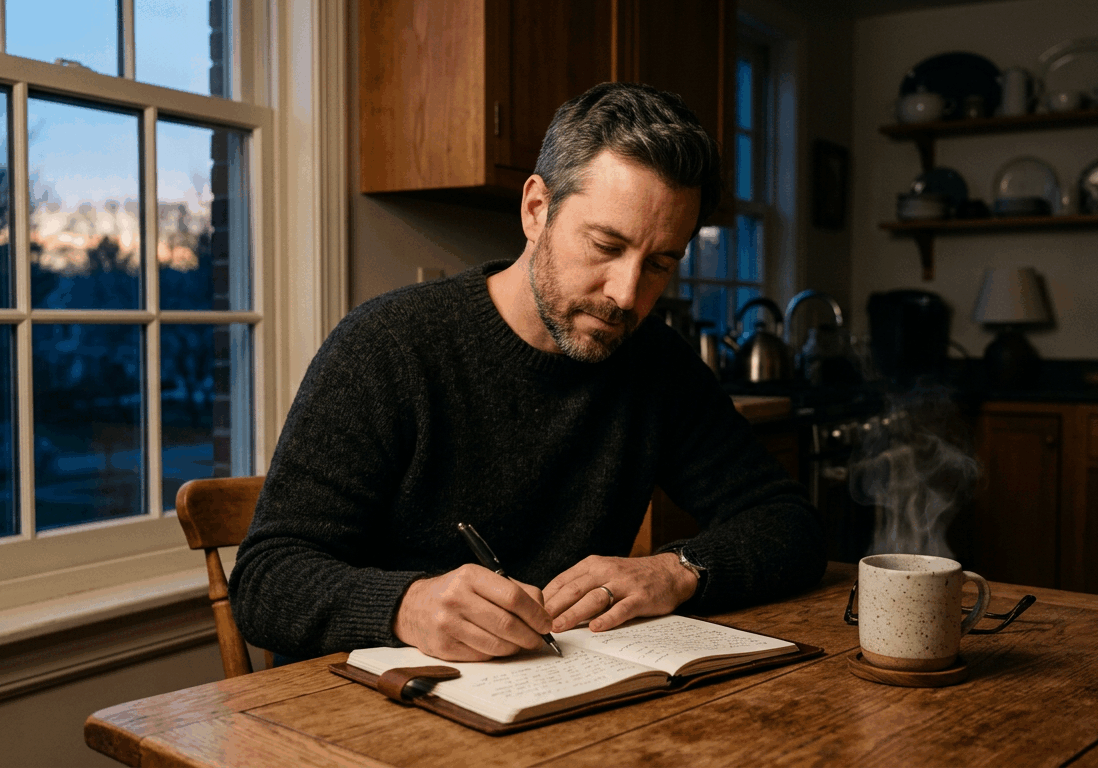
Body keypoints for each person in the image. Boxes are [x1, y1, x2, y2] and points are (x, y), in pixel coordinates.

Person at [229, 82, 826, 663]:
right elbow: (264, 581)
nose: (625, 294)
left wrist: (678, 570)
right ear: (537, 209)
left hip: (567, 694)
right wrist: (406, 606)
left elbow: (790, 524)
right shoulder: (385, 348)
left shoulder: (657, 363)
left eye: (659, 264)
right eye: (606, 245)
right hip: (368, 703)